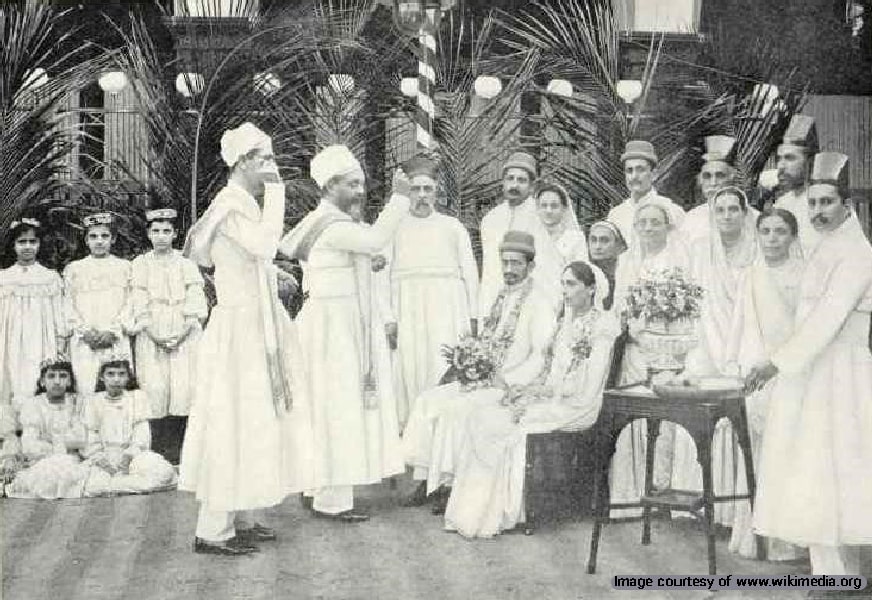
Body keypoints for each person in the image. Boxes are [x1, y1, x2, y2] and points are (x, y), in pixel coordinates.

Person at [180, 123, 313, 555]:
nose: (272, 168)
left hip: (256, 322)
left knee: (255, 418)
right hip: (238, 328)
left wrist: (273, 276)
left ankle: (243, 514)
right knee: (231, 419)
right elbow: (261, 246)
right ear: (243, 163)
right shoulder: (231, 204)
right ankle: (212, 529)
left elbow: (249, 260)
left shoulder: (240, 204)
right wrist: (277, 195)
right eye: (265, 160)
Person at [746, 152, 872, 575]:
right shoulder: (827, 247)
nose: (818, 211)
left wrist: (774, 363)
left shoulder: (856, 252)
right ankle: (836, 571)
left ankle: (844, 572)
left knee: (839, 465)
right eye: (813, 203)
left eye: (827, 203)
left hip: (842, 372)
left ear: (847, 206)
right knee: (818, 467)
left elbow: (827, 320)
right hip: (815, 369)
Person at [279, 145, 409, 522]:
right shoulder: (332, 224)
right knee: (337, 407)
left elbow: (347, 255)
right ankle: (331, 498)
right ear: (331, 185)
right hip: (335, 325)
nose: (360, 191)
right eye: (353, 184)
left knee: (328, 405)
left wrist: (364, 259)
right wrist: (399, 197)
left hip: (336, 319)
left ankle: (316, 485)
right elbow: (373, 240)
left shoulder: (323, 220)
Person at [444, 261, 619, 538]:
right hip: (555, 399)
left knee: (503, 425)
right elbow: (550, 372)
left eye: (571, 284)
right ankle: (475, 510)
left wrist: (544, 394)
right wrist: (527, 389)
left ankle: (510, 509)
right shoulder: (565, 322)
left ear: (592, 289)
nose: (565, 291)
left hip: (579, 406)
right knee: (484, 417)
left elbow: (588, 385)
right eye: (563, 284)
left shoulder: (603, 326)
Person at [402, 231, 557, 512]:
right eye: (505, 263)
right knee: (429, 399)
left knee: (456, 410)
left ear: (530, 266)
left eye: (516, 264)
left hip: (509, 385)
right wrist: (472, 366)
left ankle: (451, 487)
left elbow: (540, 356)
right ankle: (427, 480)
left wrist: (506, 382)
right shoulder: (500, 297)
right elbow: (487, 342)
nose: (509, 269)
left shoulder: (540, 302)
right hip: (484, 379)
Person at [670, 187, 759, 527]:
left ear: (743, 212)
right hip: (707, 339)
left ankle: (735, 510)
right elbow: (691, 296)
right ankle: (700, 502)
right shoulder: (700, 250)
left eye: (732, 209)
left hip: (744, 338)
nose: (726, 216)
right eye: (719, 210)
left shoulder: (756, 248)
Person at [723, 208, 804, 561]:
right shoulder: (750, 276)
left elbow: (806, 329)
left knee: (787, 450)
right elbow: (738, 325)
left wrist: (784, 362)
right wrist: (734, 366)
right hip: (754, 374)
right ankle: (753, 535)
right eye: (766, 231)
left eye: (780, 231)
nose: (772, 238)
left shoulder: (804, 275)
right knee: (754, 451)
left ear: (792, 236)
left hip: (790, 372)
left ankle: (788, 540)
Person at [380, 156, 479, 429]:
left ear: (437, 191)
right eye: (415, 189)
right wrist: (388, 317)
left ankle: (443, 432)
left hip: (447, 308)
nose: (422, 196)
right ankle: (410, 435)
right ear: (405, 191)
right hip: (407, 308)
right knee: (410, 369)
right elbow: (381, 275)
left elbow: (470, 272)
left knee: (441, 365)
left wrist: (472, 316)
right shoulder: (393, 227)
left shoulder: (452, 227)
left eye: (428, 189)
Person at [609, 199, 692, 517]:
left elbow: (686, 305)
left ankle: (661, 491)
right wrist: (633, 328)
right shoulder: (628, 261)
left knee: (663, 421)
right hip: (634, 348)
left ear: (667, 226)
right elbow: (620, 303)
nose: (648, 228)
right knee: (634, 419)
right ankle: (631, 496)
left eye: (655, 222)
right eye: (642, 223)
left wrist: (661, 336)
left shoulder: (678, 260)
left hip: (667, 350)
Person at [129, 208, 208, 465]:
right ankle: (158, 447)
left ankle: (183, 449)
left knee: (184, 386)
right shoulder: (141, 264)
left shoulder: (185, 264)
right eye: (155, 231)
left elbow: (196, 299)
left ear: (175, 234)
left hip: (183, 328)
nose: (161, 236)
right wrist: (152, 332)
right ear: (148, 234)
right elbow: (138, 300)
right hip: (153, 328)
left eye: (166, 231)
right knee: (155, 386)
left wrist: (183, 331)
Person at [80, 357, 177, 497]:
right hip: (103, 457)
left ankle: (117, 485)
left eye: (121, 374)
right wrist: (102, 461)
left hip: (132, 456)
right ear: (102, 378)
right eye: (110, 374)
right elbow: (90, 436)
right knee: (94, 485)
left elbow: (142, 435)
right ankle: (118, 484)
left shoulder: (137, 398)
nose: (116, 379)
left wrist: (127, 458)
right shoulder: (92, 401)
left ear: (128, 377)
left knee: (163, 473)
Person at [0, 218, 68, 408]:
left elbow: (58, 313)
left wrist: (60, 342)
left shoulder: (49, 277)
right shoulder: (4, 278)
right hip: (9, 340)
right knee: (8, 377)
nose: (27, 247)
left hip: (40, 338)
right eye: (22, 242)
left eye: (32, 242)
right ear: (13, 245)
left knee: (34, 376)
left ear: (39, 244)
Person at [62, 213, 131, 395]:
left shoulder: (125, 267)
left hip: (115, 339)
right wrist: (84, 332)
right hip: (85, 341)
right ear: (86, 240)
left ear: (113, 238)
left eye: (104, 236)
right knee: (86, 387)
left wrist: (113, 331)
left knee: (115, 387)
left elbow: (131, 303)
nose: (99, 241)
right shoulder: (74, 269)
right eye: (93, 236)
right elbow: (68, 304)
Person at [3, 359, 87, 499]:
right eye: (51, 376)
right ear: (42, 382)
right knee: (49, 476)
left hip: (74, 460)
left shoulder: (77, 403)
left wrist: (52, 440)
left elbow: (80, 439)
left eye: (63, 376)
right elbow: (31, 445)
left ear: (70, 381)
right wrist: (63, 445)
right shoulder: (33, 405)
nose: (57, 381)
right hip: (42, 460)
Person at [478, 151, 542, 320]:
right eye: (510, 178)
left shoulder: (540, 216)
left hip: (530, 304)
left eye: (521, 180)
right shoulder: (490, 219)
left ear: (532, 186)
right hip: (494, 302)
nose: (514, 185)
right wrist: (484, 308)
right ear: (503, 182)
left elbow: (543, 266)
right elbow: (489, 268)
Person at [606, 140, 685, 247]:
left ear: (653, 174)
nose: (634, 176)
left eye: (640, 170)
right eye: (629, 170)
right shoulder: (616, 215)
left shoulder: (672, 211)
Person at [532, 181, 588, 310]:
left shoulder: (576, 239)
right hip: (534, 305)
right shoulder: (531, 239)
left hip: (565, 304)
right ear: (537, 209)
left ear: (563, 209)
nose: (548, 210)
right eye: (544, 206)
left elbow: (581, 276)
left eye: (554, 206)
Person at [773, 115, 821, 256]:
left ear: (809, 161)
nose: (781, 166)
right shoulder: (781, 204)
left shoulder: (826, 203)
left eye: (790, 158)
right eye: (778, 159)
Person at [682, 135, 744, 242]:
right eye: (707, 176)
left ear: (731, 178)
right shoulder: (691, 219)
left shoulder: (749, 216)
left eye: (720, 176)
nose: (713, 183)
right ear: (700, 180)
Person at [587, 220, 628, 311]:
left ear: (618, 245)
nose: (597, 246)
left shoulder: (626, 274)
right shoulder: (585, 275)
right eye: (593, 240)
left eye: (604, 241)